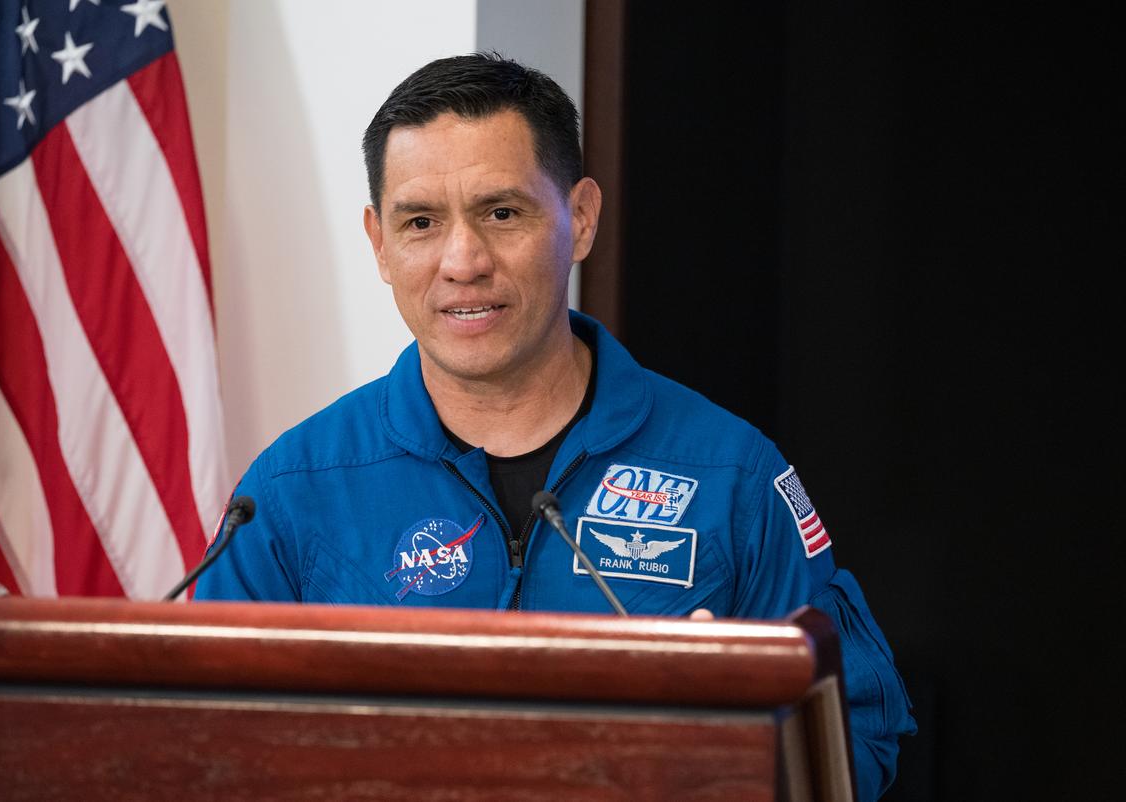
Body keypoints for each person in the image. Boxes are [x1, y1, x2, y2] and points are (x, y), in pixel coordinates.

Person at [196, 52, 915, 800]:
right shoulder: (290, 492)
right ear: (380, 243)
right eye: (420, 222)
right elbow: (201, 745)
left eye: (502, 213)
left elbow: (855, 738)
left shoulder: (729, 474)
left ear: (581, 219)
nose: (462, 261)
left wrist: (717, 754)